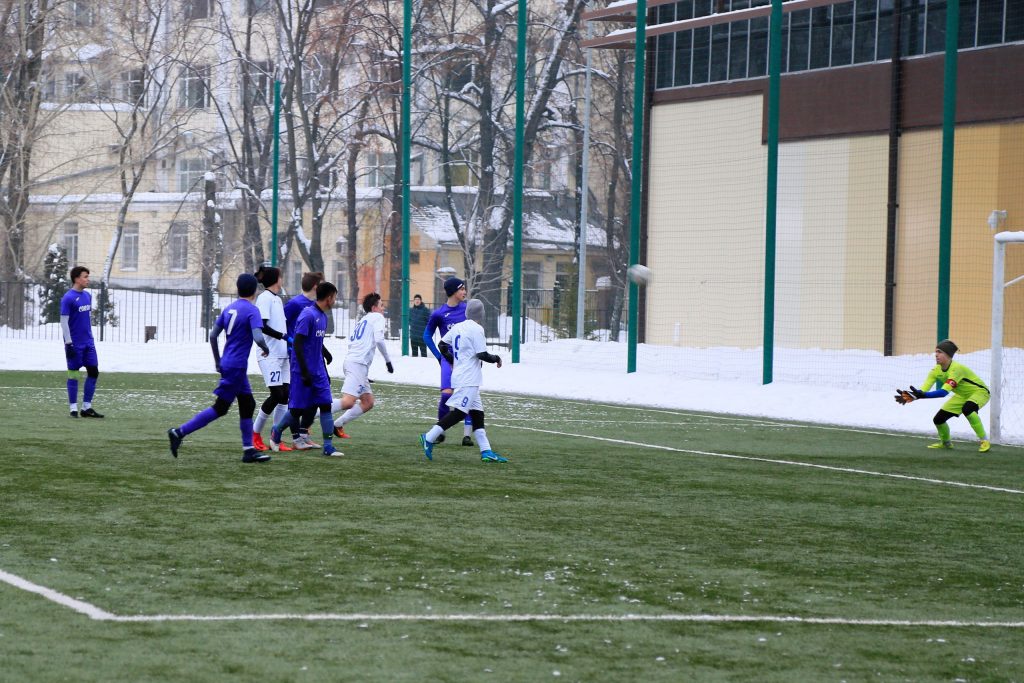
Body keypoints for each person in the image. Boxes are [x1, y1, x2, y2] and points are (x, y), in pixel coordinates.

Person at [168, 273, 271, 463]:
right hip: (237, 366)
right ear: (254, 290)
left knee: (248, 404)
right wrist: (266, 349)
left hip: (229, 363)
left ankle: (248, 451)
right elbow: (257, 337)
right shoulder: (252, 310)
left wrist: (218, 361)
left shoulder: (229, 308)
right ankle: (179, 432)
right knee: (221, 408)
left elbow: (213, 335)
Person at [419, 299, 506, 463]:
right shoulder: (477, 329)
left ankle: (486, 451)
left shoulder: (459, 326)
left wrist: (451, 360)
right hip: (469, 378)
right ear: (481, 314)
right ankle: (429, 437)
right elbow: (482, 355)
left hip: (462, 376)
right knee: (460, 412)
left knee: (478, 415)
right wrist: (497, 358)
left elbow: (442, 344)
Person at [270, 281, 341, 457]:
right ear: (329, 298)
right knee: (296, 410)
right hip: (302, 370)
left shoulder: (323, 316)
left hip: (318, 370)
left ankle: (328, 446)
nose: (335, 301)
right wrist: (303, 371)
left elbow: (316, 341)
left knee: (325, 405)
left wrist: (325, 353)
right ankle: (277, 431)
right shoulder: (307, 315)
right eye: (334, 298)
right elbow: (299, 345)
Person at [895, 339, 991, 452]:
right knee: (938, 419)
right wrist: (913, 395)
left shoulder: (956, 369)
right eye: (936, 352)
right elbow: (924, 390)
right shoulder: (935, 371)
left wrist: (921, 395)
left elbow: (943, 392)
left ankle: (984, 441)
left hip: (980, 392)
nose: (936, 355)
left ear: (948, 355)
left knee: (968, 409)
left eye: (939, 352)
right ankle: (946, 443)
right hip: (962, 395)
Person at [331, 292, 394, 438]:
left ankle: (337, 425)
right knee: (348, 402)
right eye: (381, 305)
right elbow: (379, 340)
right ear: (374, 308)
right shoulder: (377, 317)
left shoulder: (364, 319)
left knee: (367, 402)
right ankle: (308, 417)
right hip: (357, 364)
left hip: (355, 363)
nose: (383, 308)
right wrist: (388, 361)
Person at [423, 277, 474, 446]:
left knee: (468, 396)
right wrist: (439, 357)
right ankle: (440, 431)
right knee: (446, 394)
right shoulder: (438, 314)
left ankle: (467, 436)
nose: (464, 292)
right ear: (453, 291)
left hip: (466, 360)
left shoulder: (468, 310)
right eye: (461, 289)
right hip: (448, 359)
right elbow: (426, 336)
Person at [278, 271, 325, 449]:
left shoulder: (315, 306)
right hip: (296, 357)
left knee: (315, 396)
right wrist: (287, 343)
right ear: (315, 286)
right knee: (298, 398)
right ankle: (295, 436)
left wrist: (324, 351)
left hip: (313, 356)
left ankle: (303, 433)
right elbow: (281, 324)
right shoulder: (295, 304)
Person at [251, 266, 290, 452]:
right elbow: (263, 327)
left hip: (283, 355)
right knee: (277, 395)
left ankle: (276, 437)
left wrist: (289, 343)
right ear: (276, 279)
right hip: (269, 355)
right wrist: (283, 337)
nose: (282, 280)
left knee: (285, 396)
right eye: (281, 277)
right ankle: (255, 434)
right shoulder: (264, 298)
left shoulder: (278, 300)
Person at [61, 265, 104, 418]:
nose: (88, 280)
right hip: (74, 343)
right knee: (73, 374)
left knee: (94, 372)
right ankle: (73, 408)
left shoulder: (87, 296)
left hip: (88, 343)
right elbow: (64, 322)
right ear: (77, 278)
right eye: (85, 277)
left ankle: (86, 407)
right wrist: (68, 343)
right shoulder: (68, 298)